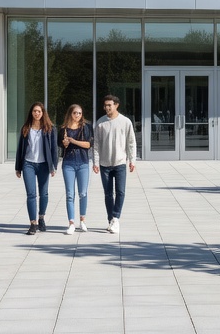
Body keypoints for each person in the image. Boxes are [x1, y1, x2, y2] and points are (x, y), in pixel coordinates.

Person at [91, 94, 137, 234]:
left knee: (121, 192)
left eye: (109, 105)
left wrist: (132, 160)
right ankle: (111, 219)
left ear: (116, 105)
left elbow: (131, 142)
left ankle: (115, 218)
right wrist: (96, 162)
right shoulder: (100, 122)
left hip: (120, 163)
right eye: (105, 105)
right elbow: (96, 144)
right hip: (104, 164)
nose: (107, 108)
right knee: (108, 194)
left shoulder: (125, 121)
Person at [15, 102, 59, 234]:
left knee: (44, 193)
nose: (37, 113)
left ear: (43, 113)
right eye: (34, 111)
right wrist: (18, 167)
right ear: (31, 113)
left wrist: (53, 166)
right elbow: (20, 149)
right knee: (31, 194)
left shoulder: (49, 129)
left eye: (39, 111)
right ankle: (32, 223)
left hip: (44, 165)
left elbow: (54, 150)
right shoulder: (26, 128)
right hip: (28, 164)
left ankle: (41, 218)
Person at [59, 104, 94, 235]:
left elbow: (88, 144)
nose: (77, 115)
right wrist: (65, 143)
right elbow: (60, 145)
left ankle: (83, 220)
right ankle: (71, 223)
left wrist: (73, 141)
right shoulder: (63, 129)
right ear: (70, 114)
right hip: (68, 163)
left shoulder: (86, 127)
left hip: (83, 163)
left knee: (83, 193)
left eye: (79, 113)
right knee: (69, 194)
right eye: (75, 113)